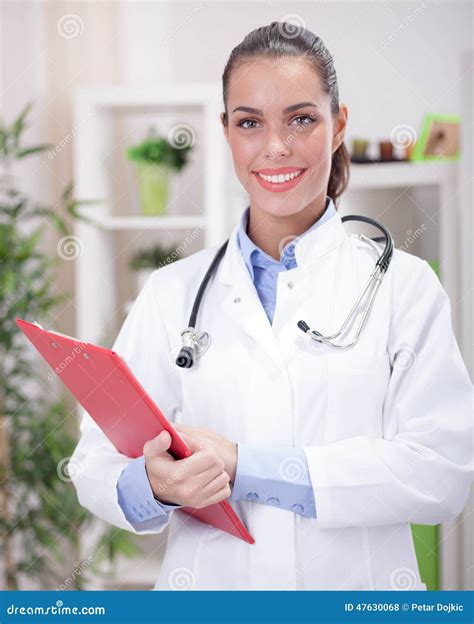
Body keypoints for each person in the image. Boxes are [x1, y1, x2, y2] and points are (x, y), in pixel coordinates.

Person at [70, 22, 472, 591]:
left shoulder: (404, 288)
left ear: (338, 126)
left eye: (302, 118)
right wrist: (156, 485)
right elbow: (91, 463)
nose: (275, 146)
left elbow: (442, 473)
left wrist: (248, 466)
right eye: (250, 122)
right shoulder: (171, 293)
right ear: (226, 132)